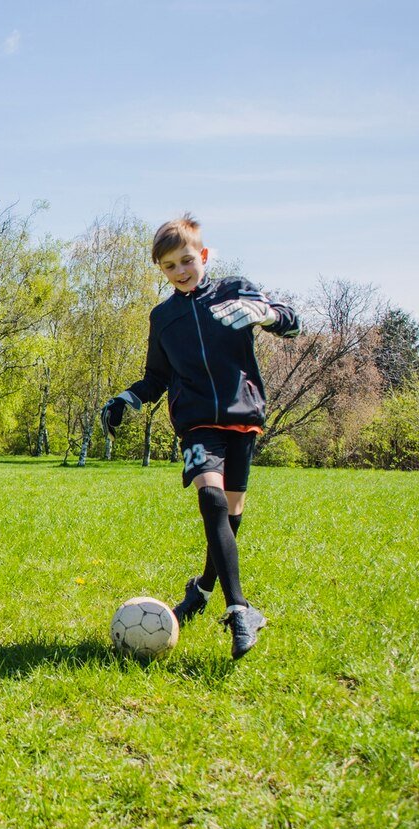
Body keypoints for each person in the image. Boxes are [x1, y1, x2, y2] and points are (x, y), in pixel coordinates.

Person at [101, 215, 300, 658]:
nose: (180, 271)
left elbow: (292, 320)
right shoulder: (164, 317)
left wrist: (267, 315)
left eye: (186, 260)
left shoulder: (235, 292)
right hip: (194, 422)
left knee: (229, 517)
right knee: (210, 499)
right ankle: (240, 607)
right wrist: (125, 400)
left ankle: (204, 588)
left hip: (242, 417)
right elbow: (156, 378)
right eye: (169, 266)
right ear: (162, 271)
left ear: (203, 256)